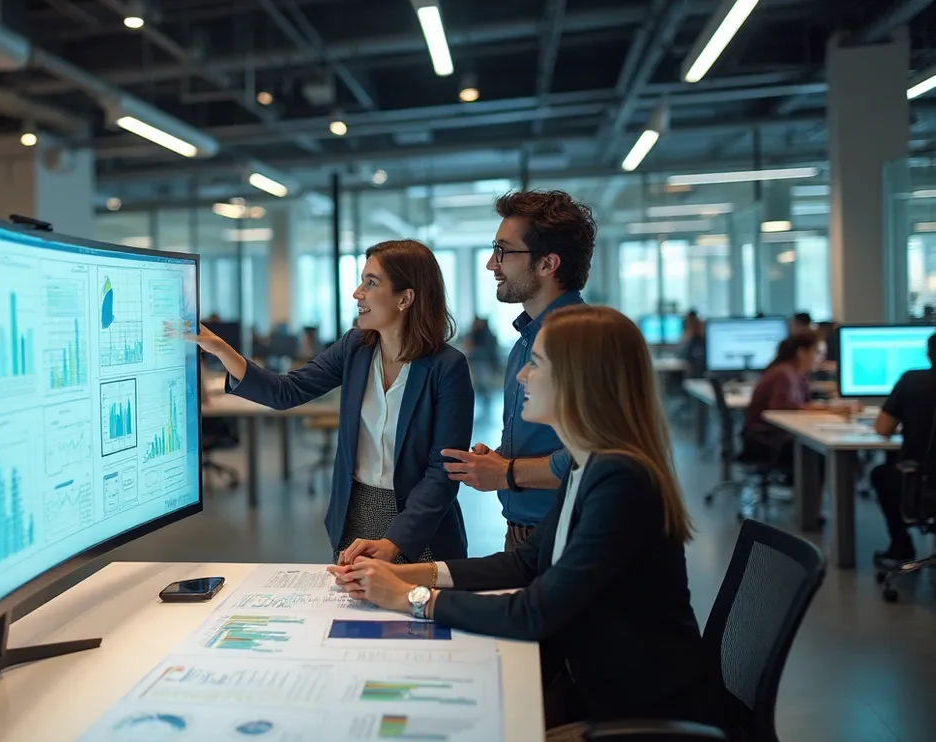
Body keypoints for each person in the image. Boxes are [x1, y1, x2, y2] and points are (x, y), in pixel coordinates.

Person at [328, 305, 728, 740]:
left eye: (536, 365)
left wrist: (412, 599)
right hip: (591, 685)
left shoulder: (621, 481)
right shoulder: (588, 464)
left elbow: (534, 612)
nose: (521, 377)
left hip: (638, 711)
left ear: (580, 380)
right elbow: (523, 565)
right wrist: (403, 572)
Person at [181, 240, 474, 563]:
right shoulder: (355, 348)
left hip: (421, 528)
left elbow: (442, 472)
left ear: (405, 298)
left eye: (371, 283)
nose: (357, 293)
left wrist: (396, 541)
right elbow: (285, 392)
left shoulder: (447, 368)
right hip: (356, 518)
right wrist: (222, 349)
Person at [439, 189, 597, 550]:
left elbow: (590, 458)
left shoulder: (581, 341)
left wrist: (507, 472)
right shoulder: (527, 340)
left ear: (547, 264)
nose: (492, 265)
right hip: (524, 534)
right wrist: (499, 459)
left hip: (565, 536)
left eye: (503, 251)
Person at [872, 332, 936, 564]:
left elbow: (882, 429)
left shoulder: (912, 381)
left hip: (923, 486)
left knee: (881, 474)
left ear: (928, 355)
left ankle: (901, 545)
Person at [743, 331, 851, 467]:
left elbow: (801, 404)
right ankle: (812, 487)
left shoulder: (796, 373)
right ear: (801, 352)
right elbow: (785, 408)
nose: (821, 359)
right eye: (818, 353)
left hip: (773, 436)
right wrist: (831, 409)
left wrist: (829, 406)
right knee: (821, 454)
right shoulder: (784, 374)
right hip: (768, 439)